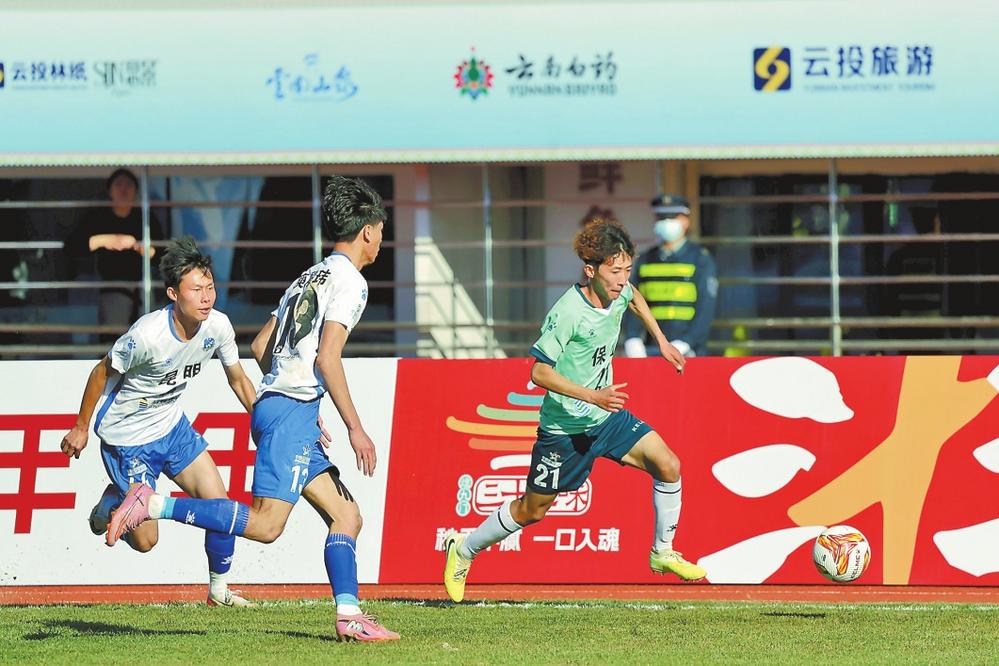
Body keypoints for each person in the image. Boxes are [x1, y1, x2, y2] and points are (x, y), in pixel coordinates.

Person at [106, 176, 400, 642]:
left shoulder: (309, 275)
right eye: (382, 230)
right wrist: (355, 428)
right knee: (266, 526)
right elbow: (328, 358)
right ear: (368, 231)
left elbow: (262, 344)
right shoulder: (352, 282)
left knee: (348, 516)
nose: (382, 239)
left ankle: (349, 615)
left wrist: (289, 392)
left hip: (281, 407)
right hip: (290, 412)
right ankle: (154, 503)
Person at [442, 218, 706, 603]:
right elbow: (538, 372)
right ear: (591, 270)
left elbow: (634, 297)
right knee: (532, 511)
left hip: (606, 420)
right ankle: (464, 549)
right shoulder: (568, 312)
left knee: (668, 464)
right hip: (564, 431)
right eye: (614, 271)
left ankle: (662, 552)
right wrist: (592, 395)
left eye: (627, 270)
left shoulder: (619, 292)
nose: (622, 280)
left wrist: (662, 341)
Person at [59, 237, 258, 607]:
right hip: (128, 440)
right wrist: (81, 427)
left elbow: (239, 380)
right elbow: (101, 371)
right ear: (173, 294)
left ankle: (218, 591)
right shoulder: (146, 336)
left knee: (220, 505)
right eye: (196, 290)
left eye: (210, 287)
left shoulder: (218, 326)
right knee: (147, 541)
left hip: (172, 428)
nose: (206, 297)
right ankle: (111, 504)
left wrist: (265, 424)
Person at [65, 168, 164, 340]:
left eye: (129, 185)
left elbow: (162, 254)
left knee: (145, 339)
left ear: (136, 191)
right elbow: (71, 247)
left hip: (143, 287)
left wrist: (141, 248)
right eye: (118, 184)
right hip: (111, 290)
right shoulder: (98, 216)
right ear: (110, 191)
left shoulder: (145, 218)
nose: (123, 189)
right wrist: (105, 240)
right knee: (115, 341)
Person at [624, 195, 717, 359]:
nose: (666, 222)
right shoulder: (645, 259)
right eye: (661, 217)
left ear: (685, 221)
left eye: (672, 217)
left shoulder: (700, 259)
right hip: (651, 349)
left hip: (690, 351)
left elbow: (706, 308)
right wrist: (632, 337)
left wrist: (687, 341)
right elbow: (633, 301)